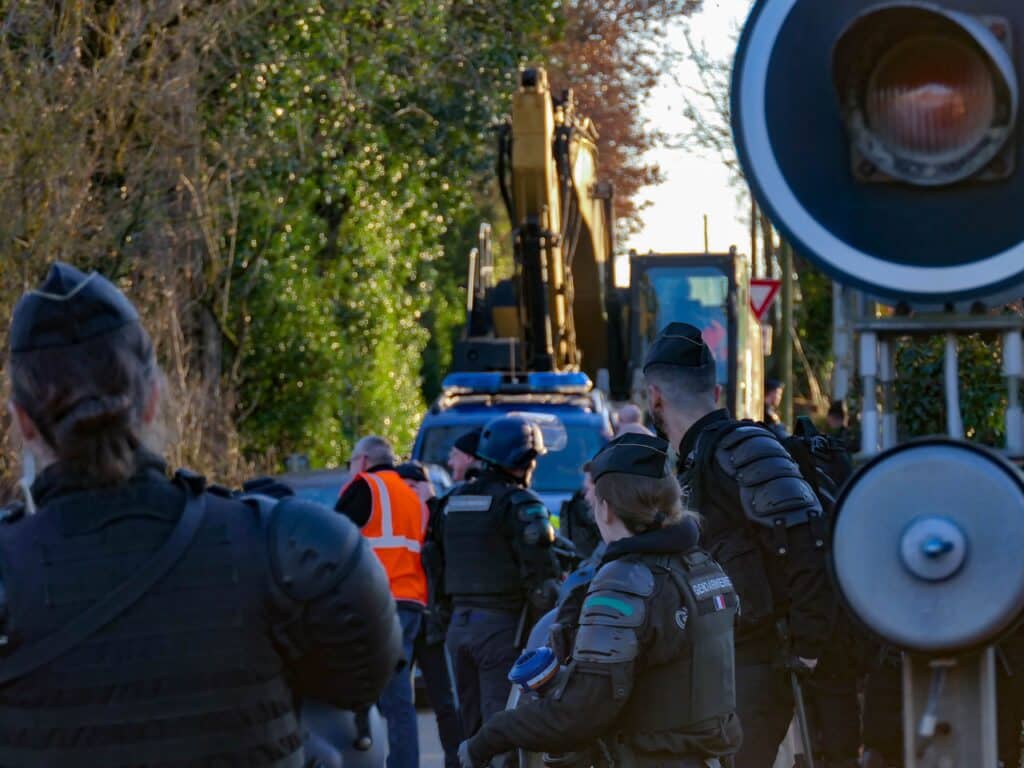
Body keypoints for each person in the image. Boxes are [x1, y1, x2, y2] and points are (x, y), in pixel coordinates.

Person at [0, 262, 401, 766]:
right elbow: (358, 686)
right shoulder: (289, 550)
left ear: (22, 422)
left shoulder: (9, 579)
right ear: (154, 397)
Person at [458, 433, 742, 768]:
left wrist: (489, 737)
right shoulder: (703, 565)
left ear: (605, 509)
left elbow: (579, 714)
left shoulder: (625, 580)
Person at [644, 322, 833, 768]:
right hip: (721, 666)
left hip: (755, 666)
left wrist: (807, 649)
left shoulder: (742, 448)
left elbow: (807, 542)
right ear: (716, 388)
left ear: (655, 397)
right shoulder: (692, 460)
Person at [436, 415, 562, 739]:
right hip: (501, 629)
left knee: (470, 726)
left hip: (457, 628)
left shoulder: (450, 502)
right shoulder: (521, 504)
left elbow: (433, 561)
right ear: (525, 460)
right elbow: (543, 582)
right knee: (501, 727)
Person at [337, 436, 429, 768]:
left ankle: (360, 759)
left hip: (374, 602)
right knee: (399, 697)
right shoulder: (413, 498)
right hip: (411, 603)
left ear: (362, 461)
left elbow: (333, 538)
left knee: (358, 689)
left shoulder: (363, 487)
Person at [395, 461, 464, 768]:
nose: (408, 495)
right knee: (398, 699)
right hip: (407, 614)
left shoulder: (439, 514)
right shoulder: (396, 520)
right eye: (403, 490)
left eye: (413, 488)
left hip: (432, 619)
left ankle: (457, 759)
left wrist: (431, 502)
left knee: (446, 701)